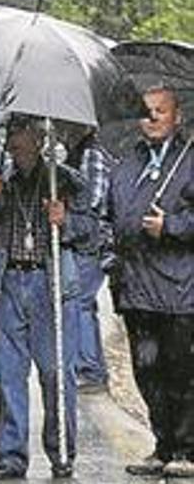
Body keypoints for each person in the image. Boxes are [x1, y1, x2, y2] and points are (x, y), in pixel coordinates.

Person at [0, 115, 96, 480]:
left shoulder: (66, 180)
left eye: (22, 135)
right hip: (8, 283)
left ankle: (61, 451)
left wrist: (66, 220)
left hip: (50, 283)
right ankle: (11, 455)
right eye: (11, 135)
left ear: (40, 139)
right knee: (9, 376)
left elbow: (91, 233)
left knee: (57, 373)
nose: (14, 143)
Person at [108, 86, 194, 479]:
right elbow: (110, 216)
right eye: (146, 111)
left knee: (179, 371)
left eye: (161, 111)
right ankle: (162, 444)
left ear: (177, 117)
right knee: (146, 370)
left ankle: (186, 447)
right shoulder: (127, 164)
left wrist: (172, 226)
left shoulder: (189, 160)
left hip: (179, 290)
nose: (153, 117)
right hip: (135, 287)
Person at [57, 120, 116, 393]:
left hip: (91, 243)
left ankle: (91, 370)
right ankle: (89, 367)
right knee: (83, 303)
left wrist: (66, 211)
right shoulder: (78, 153)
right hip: (87, 241)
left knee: (81, 302)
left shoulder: (91, 155)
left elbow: (92, 201)